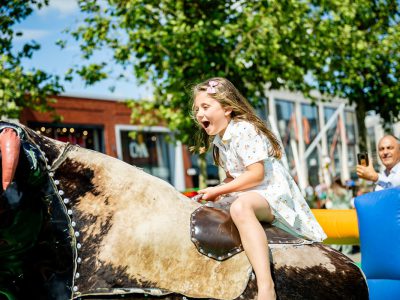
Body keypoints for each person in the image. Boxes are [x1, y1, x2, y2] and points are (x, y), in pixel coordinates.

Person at [191, 77, 326, 300]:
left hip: (271, 193)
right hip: (252, 192)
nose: (199, 114)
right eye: (197, 109)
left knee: (241, 208)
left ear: (227, 108)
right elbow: (231, 178)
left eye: (205, 107)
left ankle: (266, 287)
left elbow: (256, 174)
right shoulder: (219, 142)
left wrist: (220, 191)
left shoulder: (244, 129)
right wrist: (213, 190)